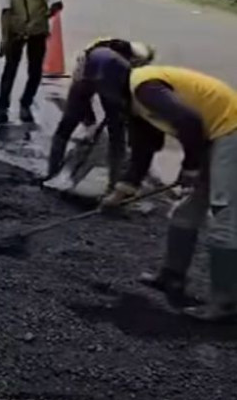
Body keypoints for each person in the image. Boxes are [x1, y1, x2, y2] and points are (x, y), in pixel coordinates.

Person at [97, 60, 237, 322]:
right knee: (185, 212)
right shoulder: (136, 104)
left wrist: (192, 167)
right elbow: (142, 153)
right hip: (214, 135)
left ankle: (226, 303)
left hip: (231, 130)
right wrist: (121, 193)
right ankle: (171, 277)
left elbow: (190, 121)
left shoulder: (145, 89)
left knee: (224, 218)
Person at [47, 39, 155, 188]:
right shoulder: (122, 65)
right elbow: (124, 96)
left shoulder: (108, 52)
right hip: (93, 77)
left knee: (70, 123)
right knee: (115, 133)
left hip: (92, 75)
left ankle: (52, 173)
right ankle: (113, 183)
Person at [0, 0, 63, 125]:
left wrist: (40, 20)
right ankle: (2, 106)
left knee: (35, 71)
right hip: (15, 31)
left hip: (38, 32)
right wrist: (4, 39)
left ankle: (26, 103)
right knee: (10, 69)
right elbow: (6, 10)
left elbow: (56, 4)